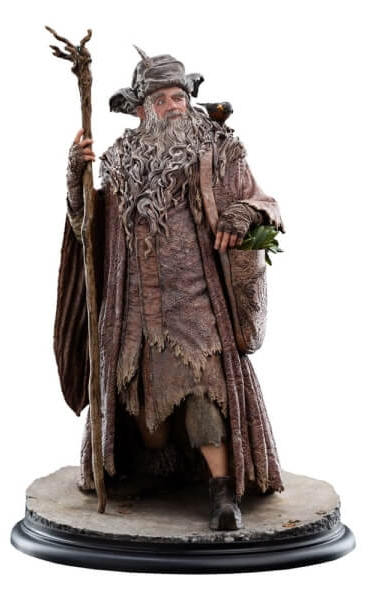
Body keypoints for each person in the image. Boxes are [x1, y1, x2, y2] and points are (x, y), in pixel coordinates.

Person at [54, 47, 285, 531]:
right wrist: (76, 176)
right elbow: (86, 228)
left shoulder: (217, 149)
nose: (175, 106)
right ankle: (155, 472)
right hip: (132, 309)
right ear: (141, 110)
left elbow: (263, 202)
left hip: (195, 303)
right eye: (161, 100)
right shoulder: (120, 164)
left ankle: (223, 493)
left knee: (204, 393)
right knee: (142, 410)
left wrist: (241, 214)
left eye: (179, 96)